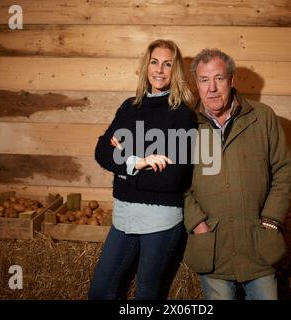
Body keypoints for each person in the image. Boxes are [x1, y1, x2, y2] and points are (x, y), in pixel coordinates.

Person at [89, 39, 197, 300]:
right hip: (124, 216)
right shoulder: (129, 107)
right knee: (100, 290)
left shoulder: (182, 115)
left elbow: (173, 178)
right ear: (146, 66)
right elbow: (101, 151)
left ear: (176, 71)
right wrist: (138, 162)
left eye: (168, 64)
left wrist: (122, 163)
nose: (159, 70)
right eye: (154, 62)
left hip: (160, 220)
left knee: (147, 295)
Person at [183, 48, 291, 300]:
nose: (211, 88)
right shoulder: (185, 124)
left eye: (219, 78)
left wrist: (271, 220)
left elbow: (284, 171)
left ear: (231, 80)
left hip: (258, 245)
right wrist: (196, 223)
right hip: (212, 247)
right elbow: (176, 182)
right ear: (196, 85)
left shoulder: (262, 117)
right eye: (204, 80)